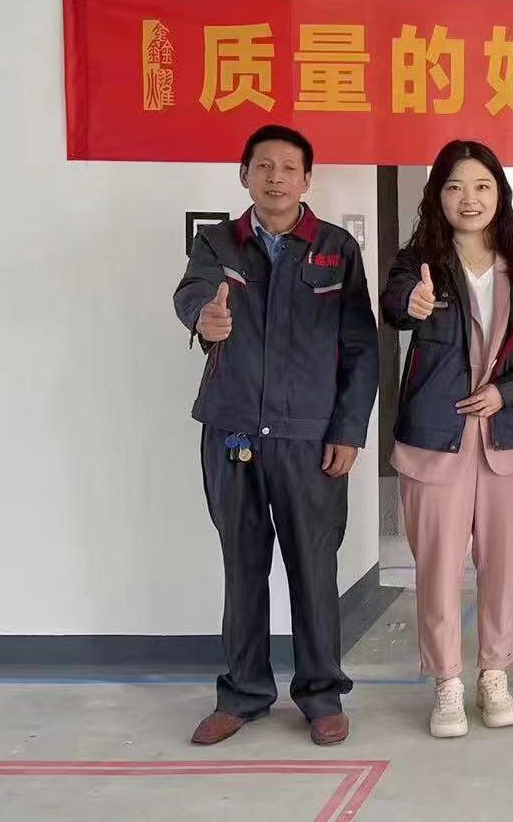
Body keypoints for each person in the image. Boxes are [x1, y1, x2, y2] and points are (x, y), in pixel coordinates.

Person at [173, 125, 378, 747]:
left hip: (309, 437)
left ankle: (321, 696)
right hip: (232, 428)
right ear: (245, 175)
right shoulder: (217, 243)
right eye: (264, 166)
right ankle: (243, 694)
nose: (276, 177)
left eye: (289, 167)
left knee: (314, 568)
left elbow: (361, 347)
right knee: (242, 566)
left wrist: (349, 430)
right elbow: (192, 294)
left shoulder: (335, 248)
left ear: (307, 179)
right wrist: (205, 318)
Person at [380, 140, 513, 738]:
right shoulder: (418, 262)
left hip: (507, 439)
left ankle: (494, 674)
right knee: (437, 568)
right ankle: (447, 683)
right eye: (455, 186)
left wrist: (507, 392)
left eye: (482, 186)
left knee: (503, 565)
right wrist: (413, 302)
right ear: (438, 195)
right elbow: (394, 305)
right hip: (435, 440)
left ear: (499, 195)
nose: (469, 199)